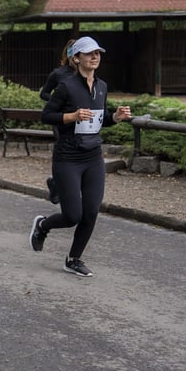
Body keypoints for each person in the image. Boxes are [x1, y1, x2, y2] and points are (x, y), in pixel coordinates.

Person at [29, 36, 132, 277]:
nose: (95, 57)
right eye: (89, 53)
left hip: (93, 156)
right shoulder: (66, 86)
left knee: (91, 211)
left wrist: (115, 117)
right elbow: (46, 116)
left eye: (97, 53)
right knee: (72, 216)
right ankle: (42, 225)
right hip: (67, 157)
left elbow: (100, 119)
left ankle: (74, 259)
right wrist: (72, 116)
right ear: (76, 58)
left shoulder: (102, 86)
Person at [40, 39, 78, 204]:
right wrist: (57, 101)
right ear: (68, 55)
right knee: (63, 152)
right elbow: (44, 93)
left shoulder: (87, 74)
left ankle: (61, 184)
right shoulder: (58, 74)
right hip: (61, 119)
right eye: (73, 52)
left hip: (81, 120)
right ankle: (57, 184)